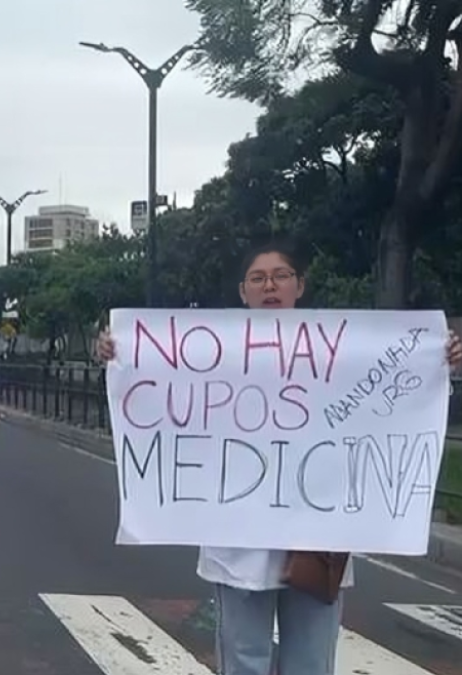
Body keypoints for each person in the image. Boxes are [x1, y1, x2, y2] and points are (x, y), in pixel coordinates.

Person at [96, 241, 462, 675]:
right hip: (238, 538)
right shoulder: (213, 354)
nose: (270, 285)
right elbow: (156, 387)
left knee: (309, 661)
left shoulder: (341, 353)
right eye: (258, 277)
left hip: (316, 537)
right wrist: (118, 354)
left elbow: (391, 398)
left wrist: (440, 364)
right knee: (244, 660)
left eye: (280, 275)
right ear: (243, 291)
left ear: (299, 286)